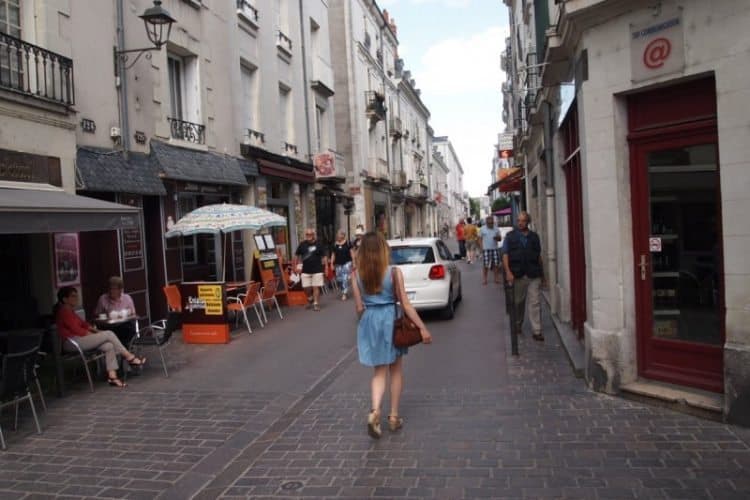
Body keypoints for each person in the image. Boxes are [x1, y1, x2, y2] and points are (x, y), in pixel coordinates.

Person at [351, 232, 432, 439]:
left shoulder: (356, 275)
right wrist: (422, 327)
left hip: (370, 320)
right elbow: (405, 304)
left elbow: (359, 308)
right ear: (383, 250)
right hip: (391, 320)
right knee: (395, 370)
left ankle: (375, 410)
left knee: (379, 372)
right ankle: (394, 417)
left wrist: (367, 322)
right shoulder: (394, 273)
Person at [55, 286, 145, 388]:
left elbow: (84, 324)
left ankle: (112, 377)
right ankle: (130, 357)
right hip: (71, 342)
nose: (76, 298)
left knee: (108, 345)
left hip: (80, 339)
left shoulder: (71, 311)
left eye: (76, 296)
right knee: (109, 334)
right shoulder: (63, 312)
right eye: (73, 296)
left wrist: (98, 331)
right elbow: (78, 331)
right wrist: (98, 335)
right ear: (65, 299)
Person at [502, 211, 545, 341]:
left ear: (528, 222)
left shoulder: (534, 237)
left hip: (533, 274)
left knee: (535, 303)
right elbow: (505, 255)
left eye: (523, 221)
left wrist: (543, 275)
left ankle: (536, 331)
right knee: (518, 302)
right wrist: (508, 272)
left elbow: (538, 256)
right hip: (517, 274)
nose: (520, 223)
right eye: (519, 220)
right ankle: (517, 324)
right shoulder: (510, 237)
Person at [95, 276, 137, 347]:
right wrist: (106, 317)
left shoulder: (127, 298)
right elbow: (97, 315)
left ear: (120, 290)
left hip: (124, 327)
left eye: (114, 289)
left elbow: (134, 314)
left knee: (127, 328)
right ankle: (125, 352)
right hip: (109, 328)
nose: (111, 291)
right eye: (110, 288)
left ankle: (126, 351)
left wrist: (125, 314)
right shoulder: (103, 299)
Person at [294, 228, 328, 311]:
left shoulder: (319, 244)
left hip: (317, 269)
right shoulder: (302, 244)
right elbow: (296, 255)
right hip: (305, 270)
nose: (308, 236)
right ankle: (310, 298)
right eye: (307, 235)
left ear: (313, 235)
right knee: (306, 287)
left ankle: (316, 303)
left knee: (315, 287)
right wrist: (296, 266)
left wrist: (326, 267)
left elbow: (324, 256)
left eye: (310, 234)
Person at [479, 215, 503, 285]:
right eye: (489, 223)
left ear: (493, 222)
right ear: (486, 223)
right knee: (485, 265)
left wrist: (497, 238)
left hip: (495, 248)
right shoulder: (482, 229)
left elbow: (500, 239)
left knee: (496, 264)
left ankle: (496, 278)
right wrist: (481, 247)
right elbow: (479, 239)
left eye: (492, 223)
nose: (490, 224)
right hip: (486, 249)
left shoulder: (496, 229)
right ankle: (484, 279)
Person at [330, 229, 353, 301]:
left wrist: (354, 262)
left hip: (347, 263)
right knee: (339, 279)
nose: (338, 236)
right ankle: (343, 290)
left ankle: (344, 293)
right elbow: (333, 255)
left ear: (343, 235)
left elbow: (352, 253)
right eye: (337, 234)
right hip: (338, 264)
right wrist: (331, 264)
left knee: (345, 278)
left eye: (339, 234)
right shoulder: (335, 244)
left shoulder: (348, 243)